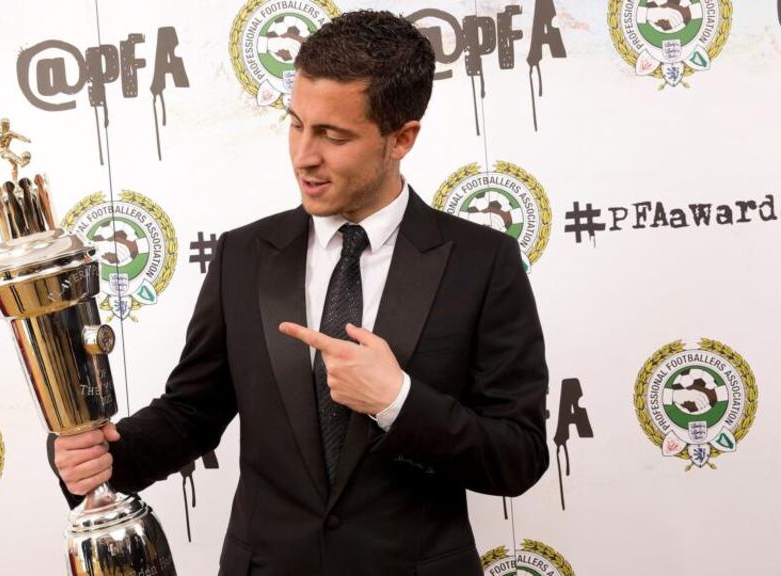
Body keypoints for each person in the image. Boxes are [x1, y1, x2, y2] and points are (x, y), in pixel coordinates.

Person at [53, 10, 548, 575]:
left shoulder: (482, 262)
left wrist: (397, 400)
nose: (303, 156)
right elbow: (193, 411)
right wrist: (102, 456)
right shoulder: (244, 256)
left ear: (401, 138)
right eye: (296, 124)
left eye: (333, 135)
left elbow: (519, 457)